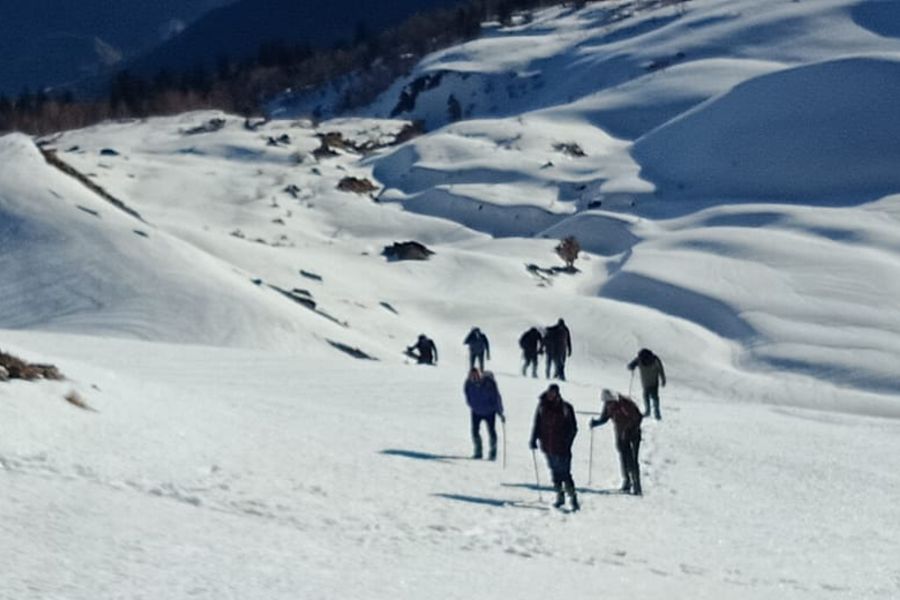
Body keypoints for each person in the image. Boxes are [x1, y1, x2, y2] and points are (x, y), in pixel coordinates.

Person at [529, 384, 579, 511]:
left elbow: (573, 428)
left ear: (557, 394)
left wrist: (567, 442)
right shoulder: (542, 407)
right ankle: (560, 496)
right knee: (555, 473)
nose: (551, 395)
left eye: (553, 393)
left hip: (562, 447)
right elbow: (537, 424)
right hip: (547, 446)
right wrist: (533, 439)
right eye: (549, 393)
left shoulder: (566, 408)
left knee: (565, 474)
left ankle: (573, 498)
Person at [589, 389, 643, 495]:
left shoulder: (625, 404)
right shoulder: (609, 406)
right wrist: (595, 423)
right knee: (623, 458)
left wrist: (629, 430)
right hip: (620, 435)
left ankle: (637, 485)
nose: (607, 404)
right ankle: (627, 481)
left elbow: (638, 417)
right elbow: (604, 418)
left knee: (632, 459)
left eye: (609, 402)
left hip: (633, 435)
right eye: (606, 402)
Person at [464, 369, 504, 460]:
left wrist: (500, 412)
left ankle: (492, 453)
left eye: (476, 375)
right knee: (475, 432)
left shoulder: (489, 384)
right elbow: (467, 395)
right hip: (476, 411)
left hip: (489, 412)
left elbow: (497, 398)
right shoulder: (468, 383)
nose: (474, 378)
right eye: (472, 376)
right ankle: (478, 451)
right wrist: (472, 405)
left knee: (491, 432)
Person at [627, 348, 666, 419]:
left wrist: (631, 367)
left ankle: (649, 412)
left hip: (647, 383)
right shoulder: (654, 359)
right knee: (654, 398)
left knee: (647, 397)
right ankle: (656, 414)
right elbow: (661, 370)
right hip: (652, 382)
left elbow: (630, 365)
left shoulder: (641, 359)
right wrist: (663, 380)